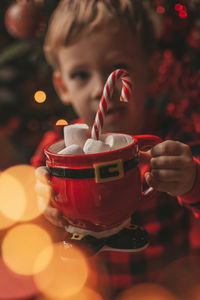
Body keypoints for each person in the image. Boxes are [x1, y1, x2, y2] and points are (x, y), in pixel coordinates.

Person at [32, 0, 200, 299]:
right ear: (61, 86)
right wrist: (42, 204)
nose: (100, 88)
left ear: (151, 70)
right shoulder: (53, 148)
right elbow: (32, 210)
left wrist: (192, 181)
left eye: (115, 68)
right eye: (81, 75)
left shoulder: (172, 140)